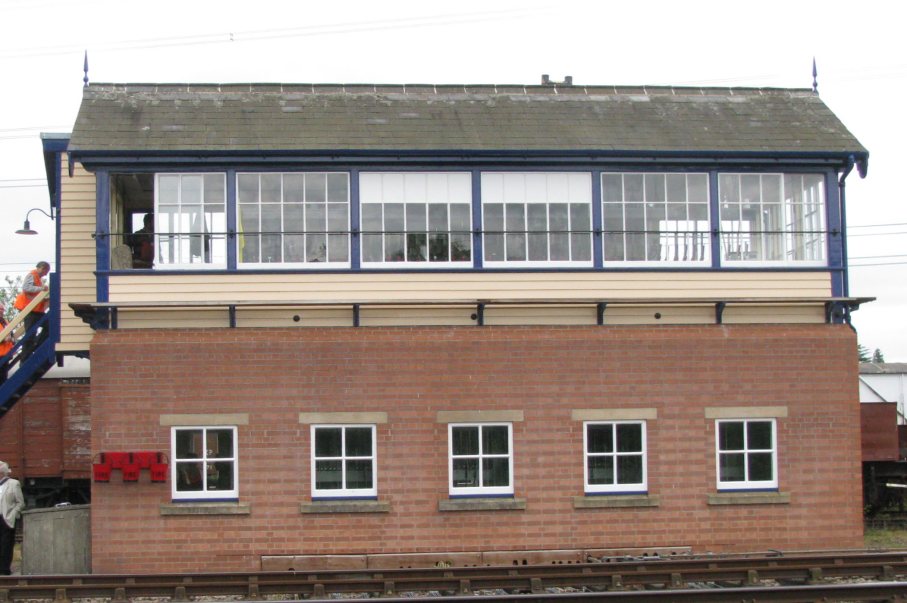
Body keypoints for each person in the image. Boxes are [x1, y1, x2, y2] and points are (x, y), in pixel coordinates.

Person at [14, 261, 50, 360]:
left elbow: (34, 295)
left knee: (50, 325)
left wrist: (45, 299)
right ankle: (25, 359)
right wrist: (41, 288)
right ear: (42, 268)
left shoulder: (39, 279)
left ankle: (36, 346)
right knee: (30, 334)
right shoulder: (32, 275)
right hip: (29, 309)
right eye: (46, 271)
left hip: (36, 310)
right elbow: (26, 288)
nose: (46, 274)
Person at [0, 461, 24, 575]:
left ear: (2, 473)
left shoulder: (14, 484)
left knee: (6, 544)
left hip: (6, 518)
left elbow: (20, 503)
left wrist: (13, 514)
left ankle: (4, 569)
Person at [0, 305, 14, 383]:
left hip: (6, 353)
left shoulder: (5, 321)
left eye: (2, 309)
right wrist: (3, 340)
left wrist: (11, 339)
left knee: (4, 376)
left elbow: (11, 334)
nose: (2, 310)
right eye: (0, 309)